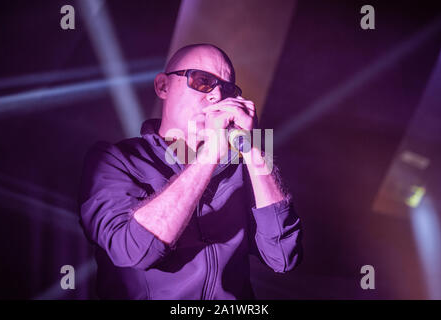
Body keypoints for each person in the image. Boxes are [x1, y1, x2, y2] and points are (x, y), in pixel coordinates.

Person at [78, 44, 302, 300]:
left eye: (227, 89)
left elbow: (283, 256)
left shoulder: (241, 168)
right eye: (203, 81)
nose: (217, 95)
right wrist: (210, 154)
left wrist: (251, 148)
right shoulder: (116, 160)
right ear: (163, 86)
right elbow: (133, 250)